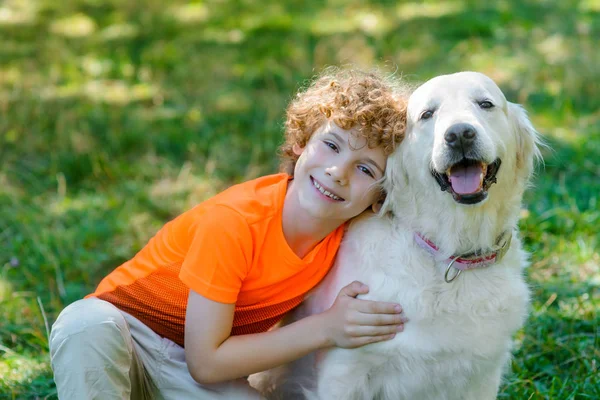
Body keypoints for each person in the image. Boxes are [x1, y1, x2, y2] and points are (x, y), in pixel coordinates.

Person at [49, 67, 409, 399]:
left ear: (381, 195)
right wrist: (326, 328)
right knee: (87, 323)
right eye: (331, 145)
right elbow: (206, 364)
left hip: (188, 369)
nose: (337, 172)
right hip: (124, 340)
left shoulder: (348, 236)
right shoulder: (237, 221)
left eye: (365, 168)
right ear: (301, 141)